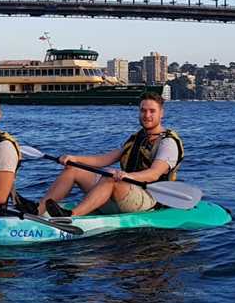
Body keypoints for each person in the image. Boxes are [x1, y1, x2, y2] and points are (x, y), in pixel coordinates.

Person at [40, 91, 183, 217]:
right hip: (124, 194)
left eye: (152, 111)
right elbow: (104, 159)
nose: (147, 115)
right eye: (143, 111)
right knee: (74, 169)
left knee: (110, 176)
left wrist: (127, 176)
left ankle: (71, 216)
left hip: (150, 200)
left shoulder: (167, 142)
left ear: (161, 113)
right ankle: (37, 210)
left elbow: (154, 174)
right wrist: (74, 158)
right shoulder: (136, 138)